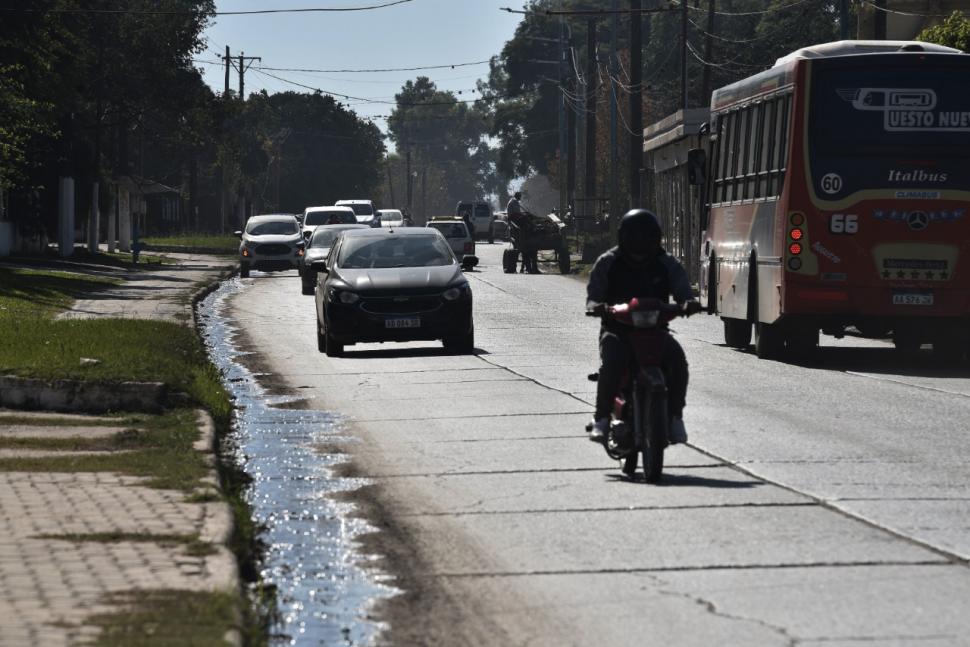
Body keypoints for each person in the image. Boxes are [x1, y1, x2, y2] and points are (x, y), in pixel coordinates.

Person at [585, 209, 701, 446]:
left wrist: (688, 302)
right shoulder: (608, 262)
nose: (640, 242)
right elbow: (594, 295)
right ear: (623, 237)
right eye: (634, 236)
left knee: (677, 360)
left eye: (646, 236)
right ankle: (602, 420)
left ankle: (676, 417)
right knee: (612, 363)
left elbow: (682, 288)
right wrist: (596, 306)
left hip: (655, 332)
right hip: (617, 331)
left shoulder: (666, 262)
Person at [506, 191, 539, 273]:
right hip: (514, 217)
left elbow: (518, 212)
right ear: (517, 196)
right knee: (527, 218)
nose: (520, 198)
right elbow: (517, 213)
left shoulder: (514, 201)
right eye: (519, 196)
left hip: (515, 216)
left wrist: (524, 214)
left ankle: (526, 268)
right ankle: (533, 227)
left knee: (527, 216)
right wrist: (525, 215)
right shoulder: (514, 202)